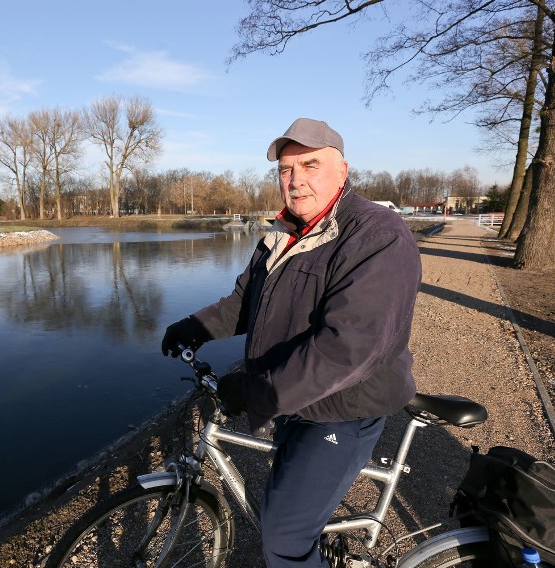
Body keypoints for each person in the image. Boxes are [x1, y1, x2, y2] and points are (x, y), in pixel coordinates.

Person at [161, 118, 422, 567]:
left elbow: (348, 348)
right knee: (292, 503)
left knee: (283, 536)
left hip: (343, 407)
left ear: (342, 171)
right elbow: (246, 301)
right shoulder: (282, 233)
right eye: (286, 169)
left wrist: (256, 389)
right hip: (294, 399)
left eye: (311, 165)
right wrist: (195, 326)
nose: (296, 180)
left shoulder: (376, 235)